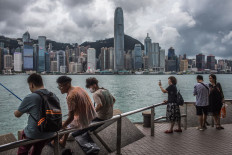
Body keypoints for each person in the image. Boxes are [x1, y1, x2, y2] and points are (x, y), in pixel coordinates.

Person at [14, 73, 57, 155]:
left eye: (29, 85)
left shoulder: (31, 97)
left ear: (32, 84)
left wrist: (15, 111)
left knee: (23, 148)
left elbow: (17, 114)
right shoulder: (53, 95)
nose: (29, 88)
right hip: (50, 132)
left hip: (35, 133)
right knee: (37, 150)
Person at [56, 76, 97, 147]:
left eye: (60, 86)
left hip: (83, 121)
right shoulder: (78, 88)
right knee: (67, 123)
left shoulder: (70, 96)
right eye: (59, 86)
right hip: (90, 116)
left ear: (67, 84)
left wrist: (62, 126)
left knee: (63, 125)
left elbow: (71, 117)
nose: (60, 89)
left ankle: (58, 142)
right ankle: (64, 141)